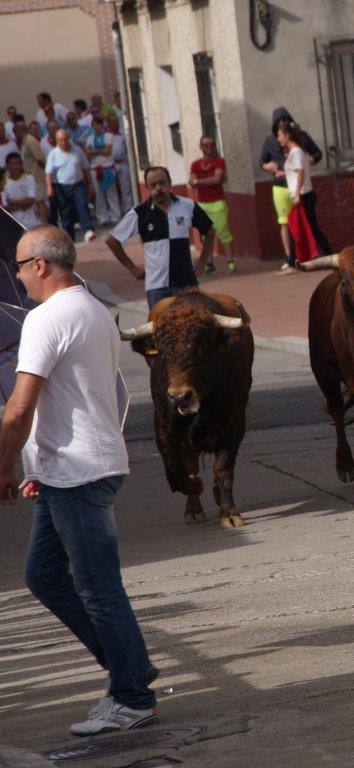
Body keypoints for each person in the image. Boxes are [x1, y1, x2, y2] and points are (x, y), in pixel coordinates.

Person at [0, 225, 158, 735]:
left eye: (21, 264)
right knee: (44, 575)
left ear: (42, 265)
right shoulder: (91, 308)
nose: (18, 275)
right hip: (69, 469)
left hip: (79, 472)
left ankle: (132, 696)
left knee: (99, 589)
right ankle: (130, 667)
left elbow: (19, 408)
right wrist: (36, 469)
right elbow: (83, 396)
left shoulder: (45, 319)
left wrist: (4, 466)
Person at [106, 166, 214, 307]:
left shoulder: (187, 205)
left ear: (170, 183)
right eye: (153, 185)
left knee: (193, 326)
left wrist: (203, 260)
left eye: (162, 183)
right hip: (157, 287)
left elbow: (210, 229)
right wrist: (132, 267)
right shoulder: (140, 212)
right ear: (147, 187)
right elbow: (112, 240)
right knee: (160, 328)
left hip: (187, 284)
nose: (159, 188)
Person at [260, 107, 324, 268]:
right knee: (286, 222)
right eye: (278, 123)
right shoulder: (269, 141)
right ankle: (290, 257)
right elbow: (262, 163)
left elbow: (316, 155)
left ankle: (313, 254)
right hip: (281, 187)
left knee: (306, 223)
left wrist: (307, 163)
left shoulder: (300, 139)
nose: (282, 125)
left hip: (298, 189)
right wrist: (270, 167)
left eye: (285, 121)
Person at [278, 121, 332, 268]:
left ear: (287, 136)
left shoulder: (296, 152)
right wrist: (283, 173)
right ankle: (313, 257)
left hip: (303, 195)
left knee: (305, 228)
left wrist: (296, 195)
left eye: (280, 135)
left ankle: (327, 256)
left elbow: (300, 172)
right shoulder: (295, 152)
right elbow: (296, 172)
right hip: (302, 194)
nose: (278, 139)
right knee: (305, 228)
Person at [188, 136, 236, 273]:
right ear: (201, 147)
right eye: (205, 145)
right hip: (202, 204)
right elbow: (191, 181)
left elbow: (217, 179)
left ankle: (231, 261)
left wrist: (198, 182)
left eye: (211, 144)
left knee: (223, 232)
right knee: (205, 235)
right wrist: (200, 181)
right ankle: (209, 264)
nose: (209, 147)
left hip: (218, 202)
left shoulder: (219, 161)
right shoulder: (195, 164)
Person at [45, 129, 96, 242]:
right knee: (65, 212)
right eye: (61, 140)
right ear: (57, 142)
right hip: (61, 186)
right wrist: (49, 187)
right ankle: (69, 237)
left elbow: (86, 168)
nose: (64, 142)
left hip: (78, 184)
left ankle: (88, 230)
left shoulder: (77, 150)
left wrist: (90, 185)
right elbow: (49, 173)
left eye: (66, 139)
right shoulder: (53, 154)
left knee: (82, 205)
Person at [85, 115, 119, 226]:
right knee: (99, 195)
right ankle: (102, 217)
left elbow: (107, 151)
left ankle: (115, 215)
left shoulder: (108, 136)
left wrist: (94, 151)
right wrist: (100, 150)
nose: (96, 127)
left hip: (107, 168)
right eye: (93, 125)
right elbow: (88, 153)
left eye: (98, 124)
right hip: (95, 169)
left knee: (111, 192)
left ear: (102, 125)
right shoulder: (90, 138)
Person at [13, 121, 49, 224]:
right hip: (31, 179)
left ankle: (44, 225)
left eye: (15, 132)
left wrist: (43, 174)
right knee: (37, 203)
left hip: (37, 177)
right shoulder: (24, 142)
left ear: (20, 131)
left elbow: (40, 159)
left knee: (40, 202)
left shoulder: (30, 141)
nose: (15, 135)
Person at [2, 153, 42, 228]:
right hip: (13, 224)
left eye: (17, 163)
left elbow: (31, 201)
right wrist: (23, 206)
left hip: (31, 223)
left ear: (21, 165)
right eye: (12, 163)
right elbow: (5, 208)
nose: (15, 166)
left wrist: (12, 202)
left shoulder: (29, 178)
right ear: (7, 166)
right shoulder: (3, 182)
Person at [106, 115, 133, 216]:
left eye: (116, 122)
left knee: (126, 188)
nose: (115, 124)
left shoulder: (123, 135)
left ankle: (128, 210)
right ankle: (116, 212)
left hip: (122, 163)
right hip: (111, 165)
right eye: (112, 122)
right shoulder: (106, 136)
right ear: (108, 124)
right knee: (113, 190)